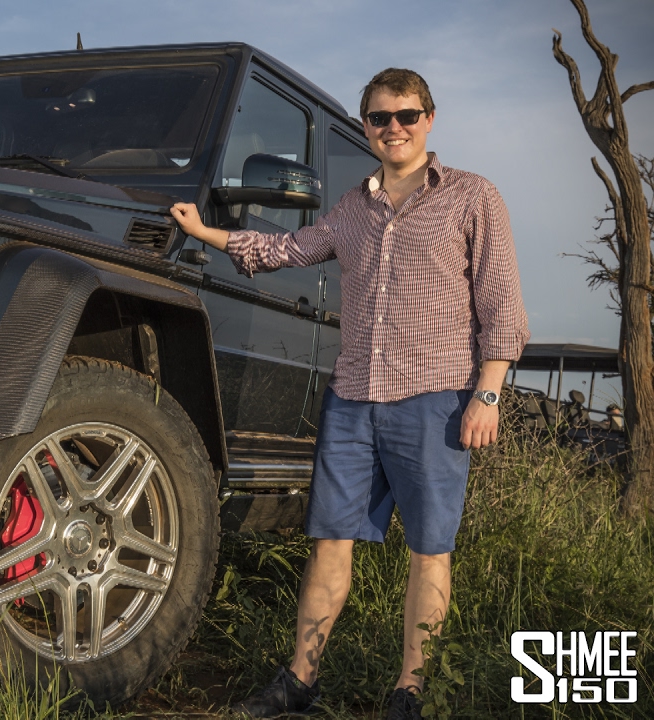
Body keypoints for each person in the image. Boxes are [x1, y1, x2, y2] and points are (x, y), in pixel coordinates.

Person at [171, 68, 529, 719]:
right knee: (330, 541)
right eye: (380, 118)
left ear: (429, 119)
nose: (394, 128)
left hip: (436, 401)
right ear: (366, 126)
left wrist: (489, 393)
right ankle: (299, 682)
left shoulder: (472, 197)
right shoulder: (352, 209)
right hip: (353, 401)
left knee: (430, 549)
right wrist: (206, 235)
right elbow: (288, 247)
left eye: (407, 115)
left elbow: (500, 302)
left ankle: (408, 693)